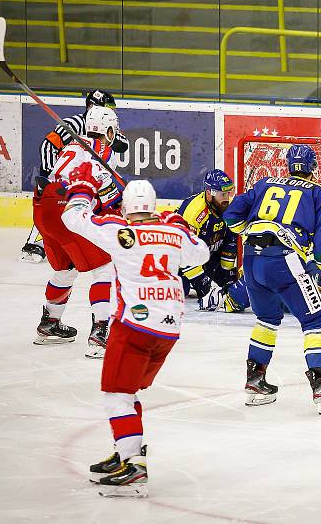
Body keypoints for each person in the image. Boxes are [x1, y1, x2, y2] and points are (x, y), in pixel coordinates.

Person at [62, 175, 209, 498]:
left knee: (116, 394)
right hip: (168, 331)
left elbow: (72, 218)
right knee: (128, 393)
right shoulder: (173, 231)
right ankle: (124, 451)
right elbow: (201, 254)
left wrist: (83, 188)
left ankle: (133, 462)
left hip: (133, 327)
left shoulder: (119, 231)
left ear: (126, 207)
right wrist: (180, 227)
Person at [223, 144, 321, 416]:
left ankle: (255, 383)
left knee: (266, 319)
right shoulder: (319, 192)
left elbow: (231, 216)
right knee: (314, 319)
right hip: (285, 259)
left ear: (289, 165)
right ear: (313, 167)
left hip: (252, 261)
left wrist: (256, 232)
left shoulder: (264, 183)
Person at [31, 105, 122, 358]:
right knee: (103, 267)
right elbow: (104, 198)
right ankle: (100, 335)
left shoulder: (72, 146)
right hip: (66, 210)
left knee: (65, 268)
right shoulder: (103, 152)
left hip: (43, 209)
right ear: (110, 130)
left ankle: (49, 324)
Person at [21, 89, 130, 263]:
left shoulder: (103, 128)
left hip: (69, 174)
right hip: (65, 175)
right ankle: (36, 242)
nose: (112, 111)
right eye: (108, 107)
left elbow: (121, 144)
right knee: (80, 200)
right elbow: (49, 144)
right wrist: (51, 172)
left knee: (58, 201)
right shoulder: (73, 124)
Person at [175, 169, 238, 309]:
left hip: (207, 256)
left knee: (231, 287)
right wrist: (204, 285)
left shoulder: (228, 207)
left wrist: (227, 275)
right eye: (222, 194)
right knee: (180, 290)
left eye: (229, 193)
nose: (227, 199)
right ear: (209, 194)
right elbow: (183, 252)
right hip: (179, 262)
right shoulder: (194, 213)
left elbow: (230, 241)